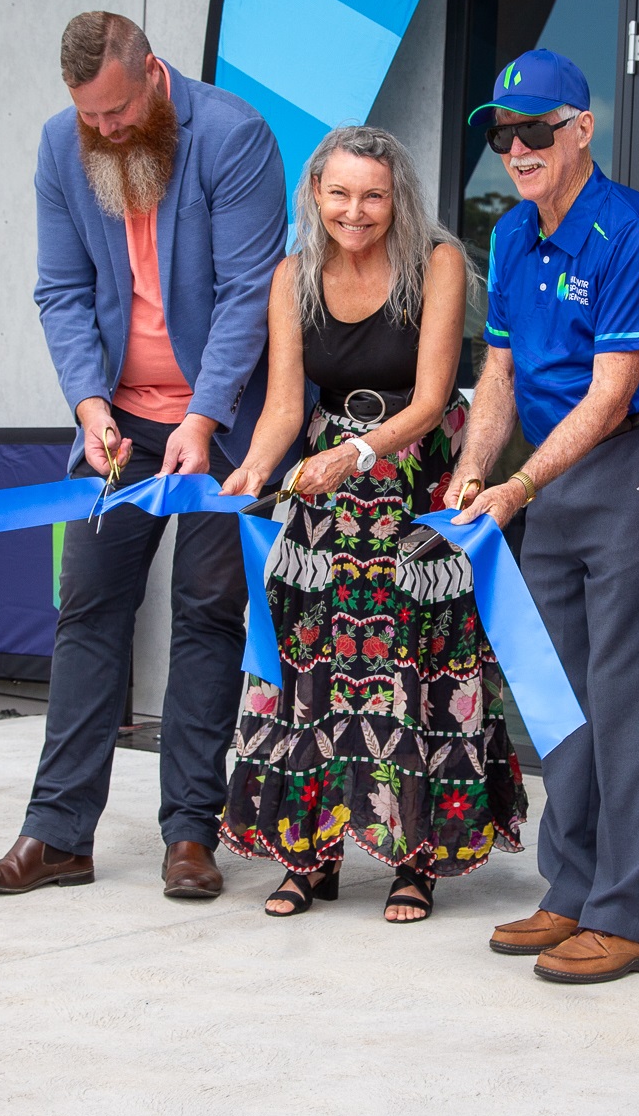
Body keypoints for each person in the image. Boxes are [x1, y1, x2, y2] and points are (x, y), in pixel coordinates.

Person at [0, 12, 285, 899]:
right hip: (121, 429)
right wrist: (91, 406)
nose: (101, 131)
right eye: (87, 116)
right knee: (87, 611)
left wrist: (206, 416)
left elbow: (251, 289)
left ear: (152, 74)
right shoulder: (63, 146)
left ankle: (190, 836)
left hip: (227, 430)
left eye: (114, 112)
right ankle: (55, 835)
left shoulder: (233, 137)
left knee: (207, 613)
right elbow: (60, 290)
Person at [218, 125, 528, 920]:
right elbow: (287, 404)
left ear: (399, 198)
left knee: (412, 672)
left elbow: (431, 402)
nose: (356, 211)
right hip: (325, 492)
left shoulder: (440, 263)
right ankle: (309, 854)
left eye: (374, 195)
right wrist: (254, 468)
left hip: (415, 481)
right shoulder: (291, 276)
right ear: (315, 195)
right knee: (313, 668)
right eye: (340, 194)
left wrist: (353, 456)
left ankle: (414, 860)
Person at [441, 47, 639, 985]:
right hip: (543, 484)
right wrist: (475, 469)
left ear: (582, 130)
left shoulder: (633, 231)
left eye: (536, 130)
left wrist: (518, 486)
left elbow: (612, 388)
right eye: (504, 134)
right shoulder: (509, 236)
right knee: (556, 703)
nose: (517, 148)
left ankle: (631, 917)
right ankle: (570, 890)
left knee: (624, 706)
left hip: (620, 471)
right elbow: (499, 371)